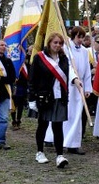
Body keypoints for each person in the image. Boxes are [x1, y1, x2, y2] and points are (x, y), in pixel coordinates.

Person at [28, 33, 75, 168]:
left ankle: (59, 155)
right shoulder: (39, 58)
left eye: (60, 43)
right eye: (55, 42)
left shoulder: (64, 58)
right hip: (45, 97)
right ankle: (40, 152)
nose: (57, 45)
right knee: (42, 125)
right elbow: (32, 79)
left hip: (59, 97)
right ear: (49, 43)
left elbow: (67, 75)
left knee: (58, 126)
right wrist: (32, 98)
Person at [45, 27, 91, 155]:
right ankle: (51, 137)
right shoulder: (66, 49)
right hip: (66, 85)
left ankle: (73, 143)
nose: (81, 40)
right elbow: (66, 66)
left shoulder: (84, 51)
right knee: (62, 113)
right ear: (73, 36)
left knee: (76, 115)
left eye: (82, 37)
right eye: (78, 37)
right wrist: (74, 79)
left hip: (79, 87)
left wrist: (87, 87)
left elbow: (87, 69)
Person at [11, 59, 29, 130]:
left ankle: (18, 120)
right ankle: (13, 120)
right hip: (14, 87)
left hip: (22, 87)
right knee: (13, 105)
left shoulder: (25, 66)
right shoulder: (13, 64)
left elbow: (27, 76)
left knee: (21, 105)